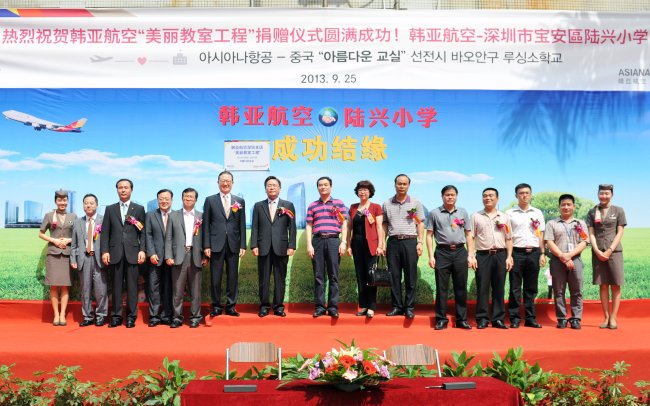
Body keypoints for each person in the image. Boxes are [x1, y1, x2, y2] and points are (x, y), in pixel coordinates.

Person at [100, 179, 146, 328]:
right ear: (117, 190)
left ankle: (131, 317)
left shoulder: (138, 209)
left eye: (126, 187)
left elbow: (143, 233)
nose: (123, 190)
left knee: (133, 286)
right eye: (120, 188)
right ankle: (116, 316)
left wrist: (142, 250)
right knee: (117, 287)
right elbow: (105, 232)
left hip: (133, 253)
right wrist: (105, 251)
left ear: (131, 190)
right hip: (115, 253)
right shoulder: (110, 209)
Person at [426, 185, 472, 330]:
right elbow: (429, 235)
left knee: (461, 287)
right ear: (442, 196)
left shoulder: (463, 212)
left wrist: (470, 254)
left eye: (452, 195)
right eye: (447, 195)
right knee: (442, 288)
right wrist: (430, 256)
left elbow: (468, 234)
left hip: (460, 252)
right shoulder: (434, 213)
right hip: (442, 253)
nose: (450, 197)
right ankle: (441, 319)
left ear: (456, 196)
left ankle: (461, 319)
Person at [250, 176, 297, 317]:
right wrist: (254, 245)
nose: (271, 187)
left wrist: (291, 245)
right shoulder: (259, 206)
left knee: (280, 278)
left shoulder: (288, 205)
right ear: (265, 189)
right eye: (269, 185)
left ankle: (278, 307)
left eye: (274, 185)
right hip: (263, 247)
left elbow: (292, 228)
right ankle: (264, 306)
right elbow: (255, 227)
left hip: (281, 247)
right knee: (263, 279)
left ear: (279, 188)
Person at [203, 170, 246, 317]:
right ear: (218, 183)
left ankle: (231, 306)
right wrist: (207, 245)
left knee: (232, 276)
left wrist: (242, 245)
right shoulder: (210, 200)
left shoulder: (239, 201)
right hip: (216, 244)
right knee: (216, 277)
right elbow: (206, 224)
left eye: (228, 181)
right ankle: (216, 306)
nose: (225, 183)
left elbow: (241, 224)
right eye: (222, 181)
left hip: (233, 244)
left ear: (232, 183)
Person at [469, 187, 513, 329]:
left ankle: (498, 319)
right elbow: (470, 236)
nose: (488, 198)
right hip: (482, 255)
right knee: (482, 287)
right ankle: (482, 318)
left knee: (499, 287)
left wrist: (509, 256)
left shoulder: (504, 217)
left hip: (500, 254)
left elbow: (509, 238)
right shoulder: (476, 216)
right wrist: (471, 255)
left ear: (497, 198)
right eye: (485, 196)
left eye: (491, 196)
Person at [382, 174, 425, 319]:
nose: (402, 186)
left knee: (410, 276)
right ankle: (397, 306)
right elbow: (384, 224)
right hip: (393, 242)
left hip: (410, 242)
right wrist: (383, 243)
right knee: (394, 276)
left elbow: (419, 222)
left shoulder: (415, 203)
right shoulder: (387, 203)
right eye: (399, 184)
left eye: (404, 184)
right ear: (395, 185)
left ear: (409, 185)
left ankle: (409, 307)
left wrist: (420, 242)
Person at [545, 194, 589, 330]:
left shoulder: (580, 223)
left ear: (573, 207)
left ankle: (576, 318)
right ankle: (561, 318)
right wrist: (562, 256)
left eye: (569, 204)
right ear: (559, 207)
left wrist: (569, 255)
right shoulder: (551, 223)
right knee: (559, 291)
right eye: (563, 204)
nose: (566, 207)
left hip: (575, 259)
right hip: (557, 261)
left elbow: (585, 242)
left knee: (577, 291)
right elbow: (549, 242)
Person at [306, 176, 348, 318]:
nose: (323, 187)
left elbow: (344, 224)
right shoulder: (313, 205)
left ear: (331, 186)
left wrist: (343, 242)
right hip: (317, 241)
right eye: (320, 185)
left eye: (325, 185)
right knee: (318, 275)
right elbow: (309, 225)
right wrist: (309, 245)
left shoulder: (339, 203)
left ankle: (333, 307)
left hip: (333, 241)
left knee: (333, 275)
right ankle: (319, 307)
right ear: (317, 187)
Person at [165, 188, 207, 328]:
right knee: (177, 291)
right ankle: (177, 318)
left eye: (191, 197)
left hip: (196, 256)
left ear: (196, 199)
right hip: (178, 257)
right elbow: (168, 238)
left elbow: (206, 238)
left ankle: (195, 317)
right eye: (186, 196)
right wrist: (168, 255)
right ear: (182, 199)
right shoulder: (173, 215)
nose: (188, 199)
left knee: (195, 291)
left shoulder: (202, 216)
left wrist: (205, 256)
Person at [505, 183, 545, 329]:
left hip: (534, 253)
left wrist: (542, 253)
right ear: (516, 195)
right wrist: (509, 255)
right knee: (515, 287)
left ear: (531, 194)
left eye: (527, 193)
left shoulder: (538, 213)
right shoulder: (509, 213)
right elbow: (507, 235)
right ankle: (514, 318)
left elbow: (541, 234)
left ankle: (530, 318)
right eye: (521, 193)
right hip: (516, 252)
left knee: (531, 287)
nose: (524, 195)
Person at [586, 184, 626, 330]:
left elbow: (620, 232)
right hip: (598, 252)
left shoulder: (618, 211)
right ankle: (606, 317)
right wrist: (596, 250)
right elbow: (591, 233)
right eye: (601, 193)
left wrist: (609, 250)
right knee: (603, 285)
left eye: (607, 194)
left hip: (614, 252)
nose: (604, 196)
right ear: (598, 194)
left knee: (615, 285)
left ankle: (614, 318)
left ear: (612, 194)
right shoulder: (592, 212)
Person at [345, 180, 384, 319]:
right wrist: (348, 245)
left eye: (365, 190)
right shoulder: (353, 207)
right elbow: (349, 227)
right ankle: (363, 306)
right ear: (357, 192)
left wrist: (380, 245)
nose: (363, 192)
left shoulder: (375, 207)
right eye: (360, 189)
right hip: (357, 245)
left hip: (372, 245)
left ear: (370, 192)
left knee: (371, 276)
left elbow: (379, 227)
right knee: (360, 276)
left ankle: (372, 307)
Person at [39, 189, 77, 326]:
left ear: (67, 201)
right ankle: (56, 315)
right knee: (54, 286)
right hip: (53, 254)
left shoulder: (73, 216)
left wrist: (68, 240)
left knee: (66, 286)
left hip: (67, 254)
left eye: (65, 200)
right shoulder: (49, 215)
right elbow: (41, 233)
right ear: (56, 201)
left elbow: (78, 236)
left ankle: (63, 315)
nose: (62, 202)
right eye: (59, 200)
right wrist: (54, 240)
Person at [70, 194, 107, 327]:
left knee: (100, 289)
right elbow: (74, 244)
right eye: (86, 203)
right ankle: (87, 316)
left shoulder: (104, 220)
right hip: (83, 259)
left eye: (91, 203)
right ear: (83, 205)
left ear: (97, 205)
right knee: (85, 289)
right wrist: (73, 259)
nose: (89, 205)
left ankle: (101, 315)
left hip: (98, 259)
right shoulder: (78, 222)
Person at [145, 189, 174, 327]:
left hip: (171, 259)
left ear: (171, 200)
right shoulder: (150, 215)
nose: (164, 201)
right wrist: (151, 253)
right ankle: (154, 316)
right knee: (153, 287)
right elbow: (148, 235)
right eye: (161, 198)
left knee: (169, 287)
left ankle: (167, 315)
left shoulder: (176, 215)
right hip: (154, 257)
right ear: (157, 200)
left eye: (167, 199)